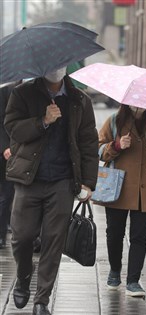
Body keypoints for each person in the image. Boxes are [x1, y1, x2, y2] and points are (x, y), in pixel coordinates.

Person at [4, 67, 98, 315]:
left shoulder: (80, 99)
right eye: (51, 65)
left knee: (53, 241)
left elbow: (89, 141)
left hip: (63, 182)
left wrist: (88, 182)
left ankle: (41, 300)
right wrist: (42, 121)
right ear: (41, 67)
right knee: (22, 237)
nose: (56, 70)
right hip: (29, 179)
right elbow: (13, 129)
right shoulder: (22, 93)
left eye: (61, 64)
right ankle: (24, 277)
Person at [94, 104, 146, 297]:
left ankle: (133, 281)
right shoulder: (115, 121)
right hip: (118, 187)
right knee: (114, 233)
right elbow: (97, 149)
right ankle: (115, 270)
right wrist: (116, 146)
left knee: (139, 237)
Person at [0, 81, 20, 249]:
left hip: (17, 151)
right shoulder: (6, 88)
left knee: (9, 194)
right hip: (7, 151)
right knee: (6, 195)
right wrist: (5, 146)